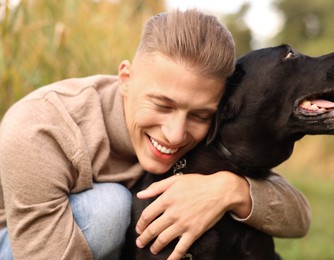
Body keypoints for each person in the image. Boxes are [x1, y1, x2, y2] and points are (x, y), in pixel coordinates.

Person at [0, 9, 311, 260]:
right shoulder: (40, 131)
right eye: (163, 105)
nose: (176, 135)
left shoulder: (199, 131)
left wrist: (229, 190)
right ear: (126, 78)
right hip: (18, 244)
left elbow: (298, 216)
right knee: (110, 207)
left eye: (200, 115)